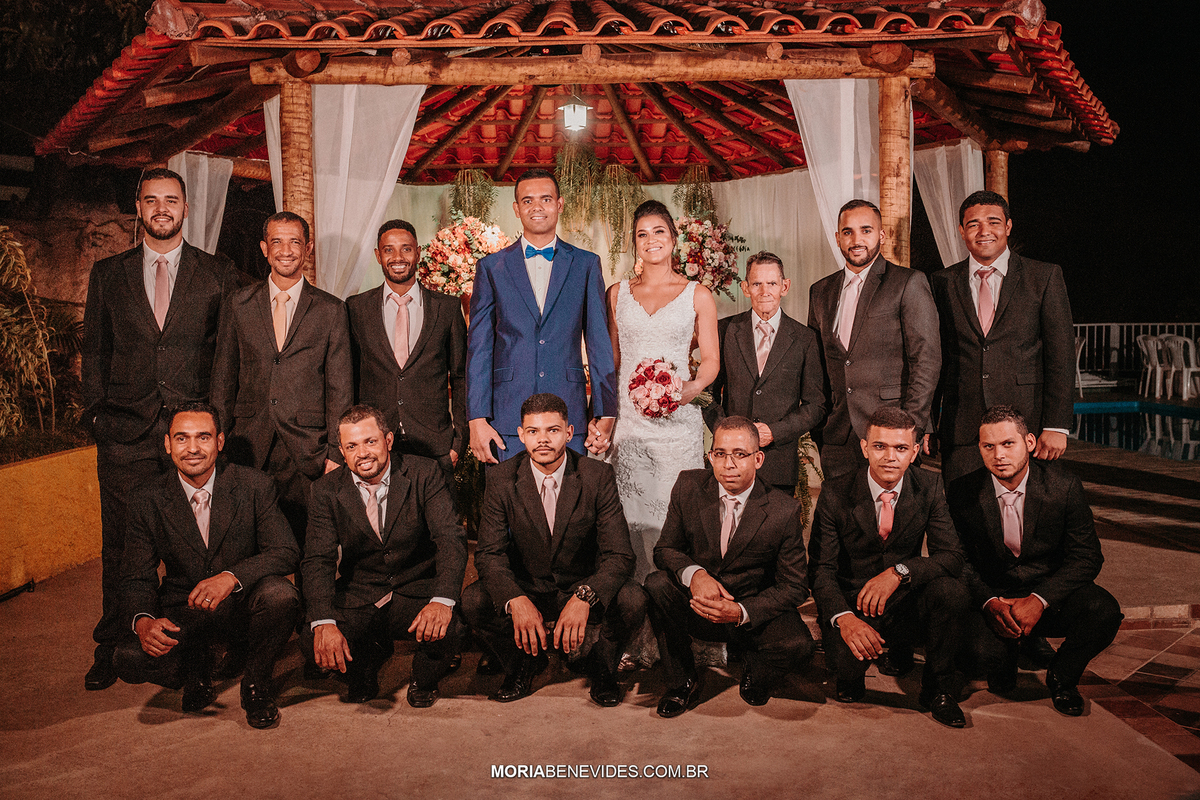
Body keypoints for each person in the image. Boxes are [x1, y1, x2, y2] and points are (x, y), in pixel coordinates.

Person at [81, 167, 239, 691]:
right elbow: (95, 350)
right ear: (139, 207)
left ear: (186, 208)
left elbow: (225, 357)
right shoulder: (109, 273)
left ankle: (202, 639)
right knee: (121, 545)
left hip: (193, 436)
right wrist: (98, 416)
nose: (162, 208)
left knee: (201, 543)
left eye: (171, 199)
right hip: (125, 431)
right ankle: (114, 642)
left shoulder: (217, 272)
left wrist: (216, 425)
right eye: (152, 200)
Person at [113, 403, 300, 728]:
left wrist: (231, 577)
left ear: (220, 441)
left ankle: (256, 685)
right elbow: (136, 577)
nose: (193, 448)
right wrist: (143, 621)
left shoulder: (254, 485)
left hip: (242, 606)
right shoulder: (147, 499)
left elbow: (285, 551)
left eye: (203, 437)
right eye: (182, 438)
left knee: (281, 595)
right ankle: (194, 668)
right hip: (186, 612)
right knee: (126, 658)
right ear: (168, 444)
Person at [463, 393, 646, 706]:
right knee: (474, 601)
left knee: (633, 599)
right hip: (529, 587)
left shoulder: (596, 476)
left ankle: (601, 666)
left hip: (580, 584)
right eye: (533, 431)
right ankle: (523, 663)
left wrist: (586, 596)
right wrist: (515, 599)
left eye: (553, 430)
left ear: (569, 433)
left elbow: (620, 555)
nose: (543, 440)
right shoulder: (502, 479)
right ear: (521, 435)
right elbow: (489, 554)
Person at [947, 405, 1122, 717]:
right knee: (986, 662)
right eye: (989, 446)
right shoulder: (963, 491)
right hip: (995, 597)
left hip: (1047, 596)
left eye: (1008, 444)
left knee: (1103, 610)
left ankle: (1062, 677)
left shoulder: (1063, 486)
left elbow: (1087, 556)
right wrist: (988, 602)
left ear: (1029, 442)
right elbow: (958, 559)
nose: (999, 455)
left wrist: (1040, 599)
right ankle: (1005, 653)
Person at [810, 406, 969, 728]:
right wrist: (844, 619)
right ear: (864, 447)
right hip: (855, 602)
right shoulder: (836, 491)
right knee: (846, 671)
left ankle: (938, 690)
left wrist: (899, 572)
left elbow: (951, 556)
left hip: (903, 598)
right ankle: (856, 665)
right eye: (880, 446)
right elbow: (820, 570)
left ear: (914, 452)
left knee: (952, 591)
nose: (890, 457)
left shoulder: (929, 486)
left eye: (900, 448)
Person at [646, 416, 815, 717]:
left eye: (739, 454)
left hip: (750, 615)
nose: (728, 464)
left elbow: (795, 586)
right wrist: (696, 574)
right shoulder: (688, 486)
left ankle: (755, 668)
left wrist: (741, 612)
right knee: (657, 584)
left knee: (798, 646)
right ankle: (682, 682)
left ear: (758, 459)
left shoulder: (783, 509)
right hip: (698, 607)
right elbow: (665, 550)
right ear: (710, 456)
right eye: (720, 453)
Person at [302, 405, 467, 707]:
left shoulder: (424, 472)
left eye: (370, 441)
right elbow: (318, 559)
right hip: (361, 593)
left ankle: (424, 678)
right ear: (342, 451)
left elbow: (450, 539)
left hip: (415, 589)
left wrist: (442, 600)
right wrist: (324, 620)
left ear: (388, 440)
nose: (362, 453)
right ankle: (365, 670)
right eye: (352, 446)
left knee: (452, 624)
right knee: (311, 637)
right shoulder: (325, 490)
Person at [210, 211, 353, 543]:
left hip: (309, 450)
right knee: (246, 544)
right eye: (277, 242)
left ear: (308, 248)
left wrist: (335, 453)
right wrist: (218, 440)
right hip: (247, 446)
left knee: (308, 547)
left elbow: (340, 387)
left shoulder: (331, 310)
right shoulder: (238, 304)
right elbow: (223, 379)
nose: (285, 251)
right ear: (264, 248)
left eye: (294, 242)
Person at [467, 168, 617, 463]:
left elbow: (599, 344)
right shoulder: (491, 268)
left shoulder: (586, 265)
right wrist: (477, 419)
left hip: (569, 416)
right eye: (528, 200)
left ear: (559, 205)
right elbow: (479, 349)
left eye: (546, 199)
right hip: (506, 417)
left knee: (569, 493)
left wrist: (605, 412)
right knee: (507, 492)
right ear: (517, 209)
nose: (537, 207)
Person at [607, 199, 719, 582]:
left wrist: (691, 388)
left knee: (676, 517)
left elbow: (711, 360)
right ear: (634, 243)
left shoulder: (697, 294)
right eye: (642, 234)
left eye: (658, 232)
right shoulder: (616, 294)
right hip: (629, 424)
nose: (651, 240)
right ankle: (633, 599)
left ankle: (675, 597)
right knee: (629, 518)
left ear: (673, 238)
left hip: (678, 424)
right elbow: (612, 361)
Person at [931, 190, 1075, 483]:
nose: (983, 231)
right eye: (973, 224)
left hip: (1027, 427)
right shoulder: (941, 282)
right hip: (962, 428)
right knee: (962, 508)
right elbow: (934, 359)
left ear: (1008, 226)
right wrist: (927, 424)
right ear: (961, 231)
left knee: (1025, 509)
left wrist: (1057, 425)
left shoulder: (1044, 277)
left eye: (993, 222)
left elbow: (1061, 355)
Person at [807, 199, 941, 479]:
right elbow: (816, 365)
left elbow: (926, 361)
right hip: (838, 436)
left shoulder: (908, 282)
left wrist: (910, 429)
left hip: (891, 436)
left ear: (881, 235)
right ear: (838, 238)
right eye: (848, 232)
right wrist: (821, 425)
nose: (856, 240)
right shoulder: (820, 291)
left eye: (866, 230)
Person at [346, 219, 466, 502]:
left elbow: (462, 377)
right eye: (389, 250)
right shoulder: (356, 309)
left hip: (435, 446)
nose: (397, 257)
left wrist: (459, 441)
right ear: (378, 255)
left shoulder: (447, 308)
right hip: (375, 447)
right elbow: (347, 378)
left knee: (440, 525)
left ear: (418, 252)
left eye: (406, 249)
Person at [704, 251, 826, 494]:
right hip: (729, 462)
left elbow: (816, 405)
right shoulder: (725, 331)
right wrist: (728, 436)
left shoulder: (805, 338)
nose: (764, 291)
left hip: (779, 463)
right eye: (757, 284)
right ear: (745, 288)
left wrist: (775, 432)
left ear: (785, 286)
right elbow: (707, 396)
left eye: (771, 283)